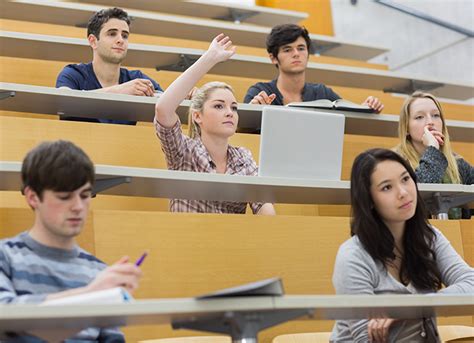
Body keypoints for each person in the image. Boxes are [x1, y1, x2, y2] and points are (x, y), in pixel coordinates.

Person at [0, 140, 142, 342]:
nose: (78, 206)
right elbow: (6, 317)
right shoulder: (5, 256)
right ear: (32, 197)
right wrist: (92, 294)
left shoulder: (98, 271)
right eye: (64, 197)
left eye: (85, 195)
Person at [330, 148, 473, 343]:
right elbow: (365, 338)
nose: (403, 193)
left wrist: (408, 308)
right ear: (369, 200)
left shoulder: (429, 238)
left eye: (406, 179)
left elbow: (471, 284)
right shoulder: (353, 256)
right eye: (387, 187)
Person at [154, 34, 275, 215]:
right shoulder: (184, 151)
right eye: (219, 106)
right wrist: (210, 58)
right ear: (197, 116)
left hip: (231, 240)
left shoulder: (243, 157)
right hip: (188, 240)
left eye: (234, 108)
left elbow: (265, 209)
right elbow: (163, 109)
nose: (229, 112)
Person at [243, 24, 384, 113]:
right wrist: (252, 110)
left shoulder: (322, 93)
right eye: (287, 50)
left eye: (301, 48)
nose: (296, 54)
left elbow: (349, 114)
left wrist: (367, 108)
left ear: (308, 53)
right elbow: (243, 130)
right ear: (273, 57)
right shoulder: (260, 92)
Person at [56, 7, 163, 125]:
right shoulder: (73, 74)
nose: (120, 40)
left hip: (123, 143)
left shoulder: (136, 78)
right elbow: (63, 103)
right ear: (93, 41)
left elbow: (166, 100)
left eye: (125, 35)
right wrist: (120, 90)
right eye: (112, 34)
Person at [394, 91, 473, 185]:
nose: (430, 122)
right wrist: (433, 148)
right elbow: (420, 190)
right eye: (419, 117)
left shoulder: (456, 162)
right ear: (406, 128)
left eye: (435, 115)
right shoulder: (395, 161)